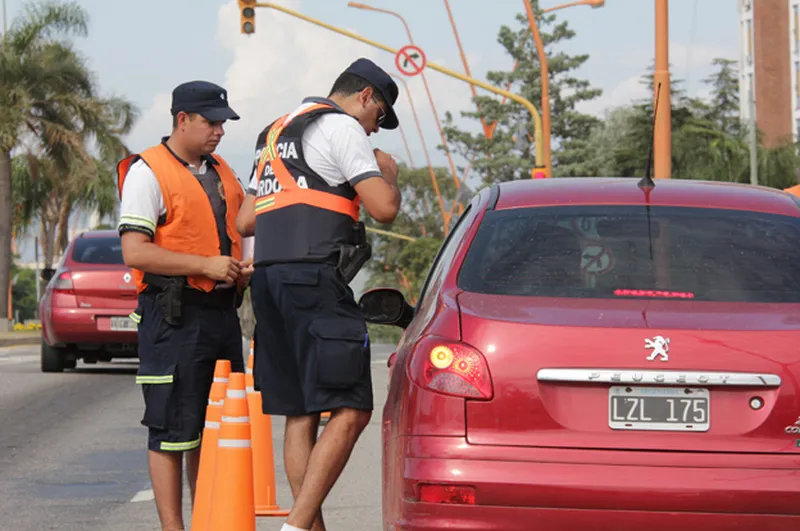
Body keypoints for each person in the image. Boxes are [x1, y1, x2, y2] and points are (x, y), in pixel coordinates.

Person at [236, 58, 402, 531]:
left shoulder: (273, 133)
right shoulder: (340, 126)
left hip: (268, 281)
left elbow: (247, 220)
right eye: (378, 117)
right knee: (352, 408)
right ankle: (294, 528)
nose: (373, 132)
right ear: (365, 96)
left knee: (300, 412)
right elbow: (383, 208)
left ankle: (309, 528)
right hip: (313, 279)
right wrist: (387, 173)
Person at [116, 80, 252, 531]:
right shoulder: (148, 171)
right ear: (182, 120)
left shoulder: (223, 171)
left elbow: (232, 234)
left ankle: (211, 520)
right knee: (173, 430)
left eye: (222, 123)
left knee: (215, 432)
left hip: (221, 315)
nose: (219, 131)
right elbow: (135, 252)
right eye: (211, 122)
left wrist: (236, 269)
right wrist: (205, 266)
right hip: (172, 317)